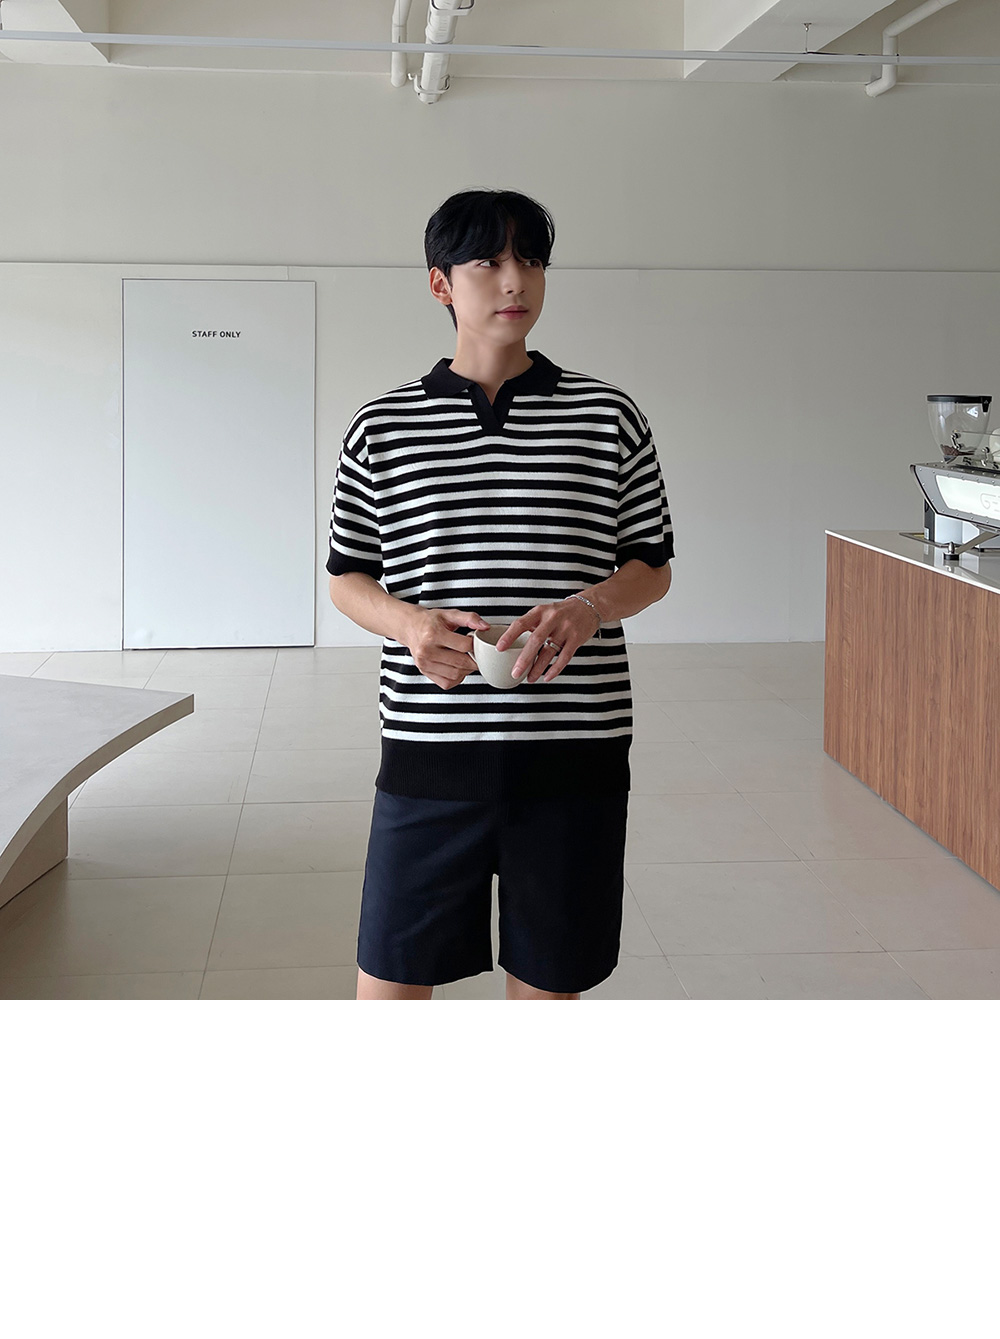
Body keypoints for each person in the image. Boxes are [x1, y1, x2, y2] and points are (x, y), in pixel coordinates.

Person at [327, 189, 674, 1000]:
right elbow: (348, 575)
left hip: (573, 753)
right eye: (488, 260)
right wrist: (411, 625)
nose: (516, 280)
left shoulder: (607, 416)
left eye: (532, 260)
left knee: (548, 988)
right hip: (429, 752)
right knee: (388, 988)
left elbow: (651, 565)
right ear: (441, 283)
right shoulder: (382, 426)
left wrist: (590, 606)